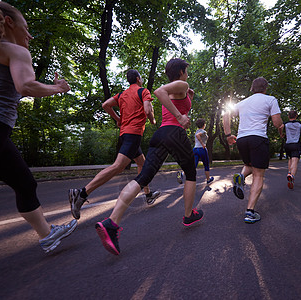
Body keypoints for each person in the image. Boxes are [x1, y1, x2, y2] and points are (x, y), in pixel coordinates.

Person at [0, 0, 77, 253]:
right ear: (9, 23)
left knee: (24, 183)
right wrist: (58, 88)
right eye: (26, 27)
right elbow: (26, 86)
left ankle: (47, 235)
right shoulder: (16, 52)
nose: (29, 34)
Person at [95, 58, 204, 255]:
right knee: (190, 174)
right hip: (174, 132)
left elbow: (176, 101)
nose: (187, 74)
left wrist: (189, 98)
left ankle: (111, 222)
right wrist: (180, 117)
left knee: (143, 177)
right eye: (186, 70)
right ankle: (189, 215)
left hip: (160, 135)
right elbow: (159, 92)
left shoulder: (181, 89)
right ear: (180, 72)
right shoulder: (182, 84)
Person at [68, 70, 160, 219]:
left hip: (125, 134)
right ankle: (81, 193)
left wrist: (118, 119)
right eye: (141, 78)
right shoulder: (143, 91)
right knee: (118, 166)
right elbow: (148, 109)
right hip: (134, 134)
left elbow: (106, 105)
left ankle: (148, 194)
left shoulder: (122, 95)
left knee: (143, 164)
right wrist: (152, 119)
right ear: (138, 79)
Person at [223, 77, 283, 224]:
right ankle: (250, 212)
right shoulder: (270, 100)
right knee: (258, 175)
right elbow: (276, 122)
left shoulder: (242, 102)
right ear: (265, 88)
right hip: (258, 138)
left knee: (250, 165)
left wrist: (228, 135)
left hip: (242, 139)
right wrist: (281, 126)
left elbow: (225, 114)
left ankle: (241, 176)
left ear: (252, 89)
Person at [176, 118, 213, 184]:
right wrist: (202, 144)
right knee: (206, 165)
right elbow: (198, 136)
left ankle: (182, 174)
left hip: (195, 149)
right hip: (202, 149)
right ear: (204, 125)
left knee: (192, 165)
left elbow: (197, 135)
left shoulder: (196, 131)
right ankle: (208, 180)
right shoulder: (203, 131)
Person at [283, 110, 301, 189]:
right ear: (296, 116)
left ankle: (289, 172)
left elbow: (280, 127)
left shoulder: (285, 124)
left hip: (287, 144)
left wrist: (281, 134)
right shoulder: (300, 123)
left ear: (288, 116)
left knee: (290, 159)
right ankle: (292, 176)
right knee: (295, 161)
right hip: (296, 144)